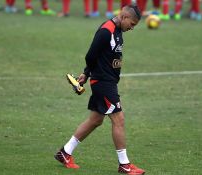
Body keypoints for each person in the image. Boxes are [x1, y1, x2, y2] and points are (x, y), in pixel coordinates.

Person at [54, 5, 146, 175]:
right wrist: (88, 73)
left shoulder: (118, 31)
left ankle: (64, 153)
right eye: (132, 24)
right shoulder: (106, 30)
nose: (132, 28)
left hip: (107, 81)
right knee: (119, 119)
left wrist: (86, 74)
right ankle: (124, 164)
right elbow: (91, 55)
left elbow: (102, 55)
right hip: (104, 84)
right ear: (124, 16)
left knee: (95, 120)